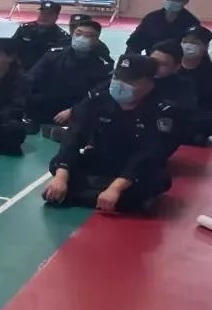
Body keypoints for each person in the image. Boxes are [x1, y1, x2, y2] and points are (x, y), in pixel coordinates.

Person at [43, 54, 173, 213]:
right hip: (100, 160)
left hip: (134, 170)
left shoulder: (160, 110)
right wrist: (61, 177)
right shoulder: (98, 100)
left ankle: (83, 195)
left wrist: (116, 188)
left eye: (129, 80)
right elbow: (74, 136)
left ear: (148, 83)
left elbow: (148, 154)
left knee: (158, 180)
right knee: (59, 165)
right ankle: (110, 200)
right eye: (118, 77)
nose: (120, 84)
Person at [25, 18, 112, 125]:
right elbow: (32, 77)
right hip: (47, 104)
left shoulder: (102, 66)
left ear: (97, 40)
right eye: (78, 34)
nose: (81, 38)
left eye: (88, 36)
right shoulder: (55, 55)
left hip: (77, 110)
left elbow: (98, 94)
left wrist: (73, 111)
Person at [148, 39, 196, 156]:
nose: (155, 67)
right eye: (153, 61)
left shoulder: (183, 87)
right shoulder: (137, 77)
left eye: (163, 64)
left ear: (176, 67)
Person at [126, 0, 201, 55]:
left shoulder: (192, 23)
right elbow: (133, 44)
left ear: (186, 0)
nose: (172, 0)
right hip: (151, 60)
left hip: (177, 62)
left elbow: (193, 52)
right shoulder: (151, 19)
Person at [179, 25, 212, 143]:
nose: (188, 45)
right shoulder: (171, 67)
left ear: (205, 47)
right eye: (185, 41)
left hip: (200, 118)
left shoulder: (208, 71)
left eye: (195, 42)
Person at [12, 0, 67, 70]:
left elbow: (60, 60)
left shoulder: (61, 36)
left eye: (49, 14)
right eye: (42, 13)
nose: (44, 17)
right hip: (21, 68)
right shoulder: (25, 29)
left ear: (56, 17)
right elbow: (11, 47)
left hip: (45, 71)